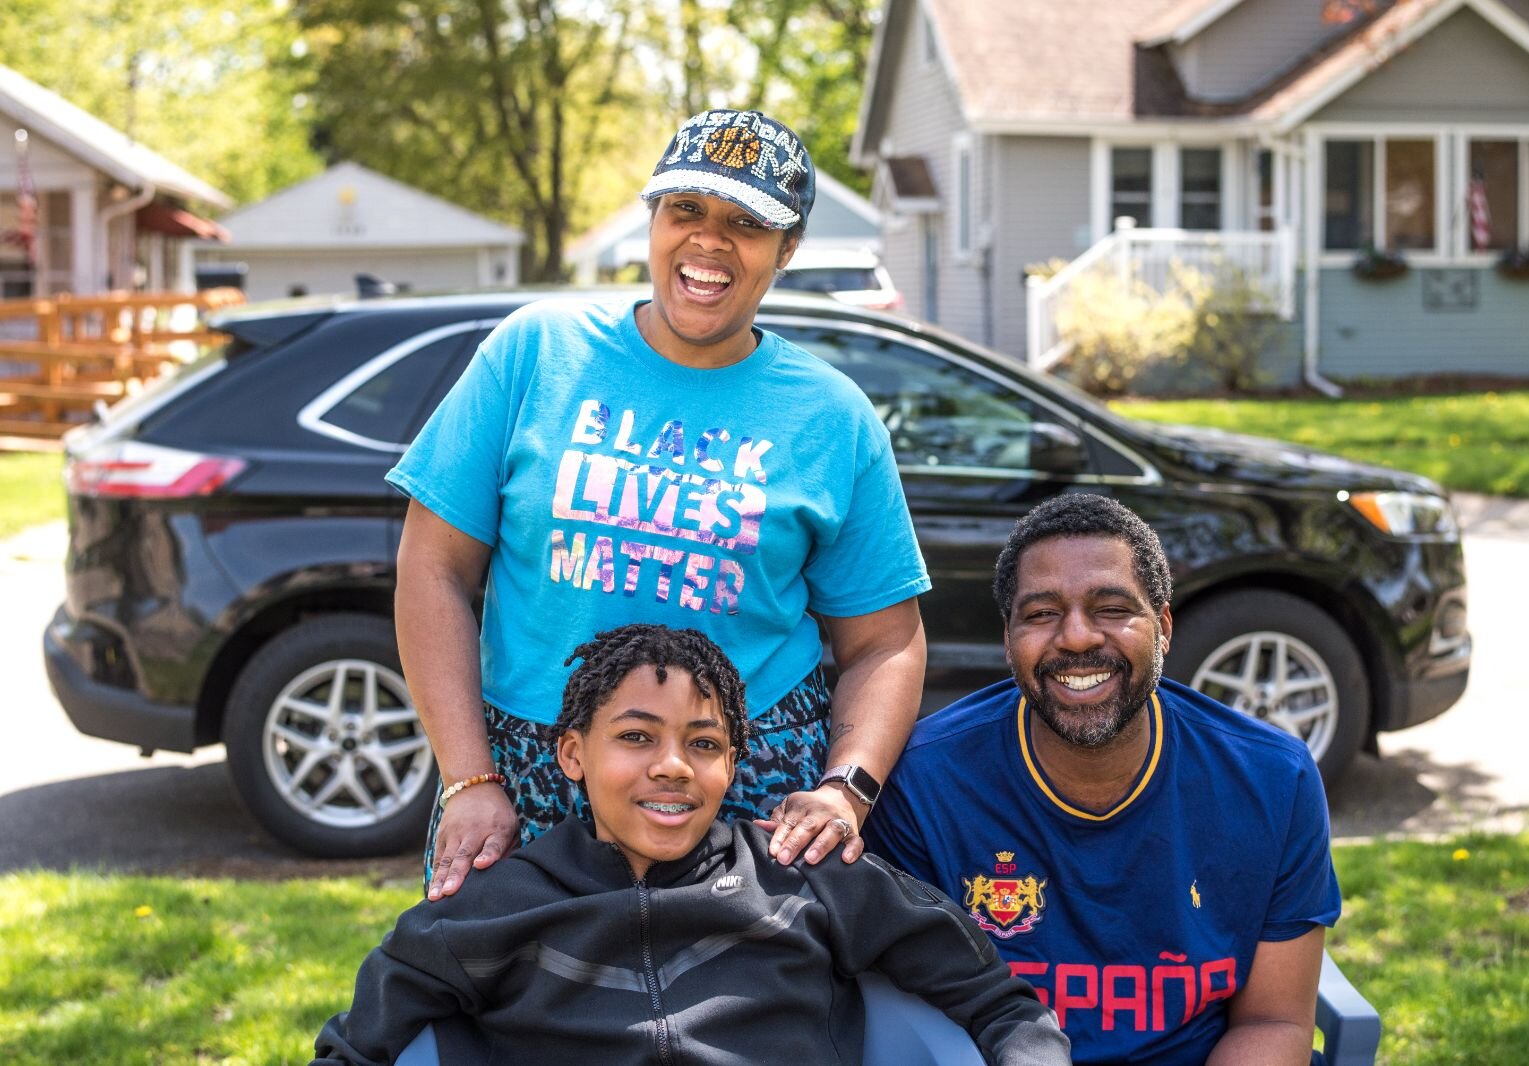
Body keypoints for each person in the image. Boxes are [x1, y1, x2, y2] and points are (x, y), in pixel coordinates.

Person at [386, 107, 930, 902]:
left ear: (786, 251)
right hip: (527, 770)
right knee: (503, 1011)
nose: (708, 241)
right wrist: (469, 777)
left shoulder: (831, 416)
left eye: (745, 224)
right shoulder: (536, 352)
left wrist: (843, 789)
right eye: (686, 211)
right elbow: (431, 569)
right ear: (653, 219)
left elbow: (885, 643)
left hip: (740, 779)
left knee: (736, 1018)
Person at [313, 625, 1073, 1066]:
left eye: (702, 742)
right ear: (571, 756)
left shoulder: (803, 880)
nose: (671, 765)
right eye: (636, 737)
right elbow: (352, 1052)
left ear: (732, 765)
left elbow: (998, 1004)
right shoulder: (487, 913)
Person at [864, 495, 1340, 1065]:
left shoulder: (1272, 778)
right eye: (1041, 614)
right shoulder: (923, 780)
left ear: (1163, 626)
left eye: (1112, 608)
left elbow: (1273, 1019)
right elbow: (913, 1021)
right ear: (1008, 637)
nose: (1078, 637)